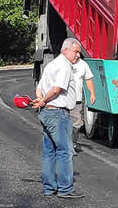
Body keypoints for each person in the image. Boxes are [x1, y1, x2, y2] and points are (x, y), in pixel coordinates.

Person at [32, 38, 84, 199]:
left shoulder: (51, 65)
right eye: (76, 52)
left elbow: (39, 87)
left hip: (46, 113)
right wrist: (43, 100)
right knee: (64, 152)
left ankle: (48, 187)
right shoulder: (64, 67)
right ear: (65, 50)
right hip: (58, 114)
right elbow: (56, 89)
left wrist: (40, 100)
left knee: (49, 152)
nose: (78, 56)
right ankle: (65, 188)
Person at [70, 58, 95, 153]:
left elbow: (88, 79)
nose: (77, 55)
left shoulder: (83, 64)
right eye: (75, 52)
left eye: (78, 53)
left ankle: (72, 142)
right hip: (63, 100)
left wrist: (92, 93)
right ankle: (64, 145)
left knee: (77, 123)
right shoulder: (62, 63)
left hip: (77, 101)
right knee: (63, 123)